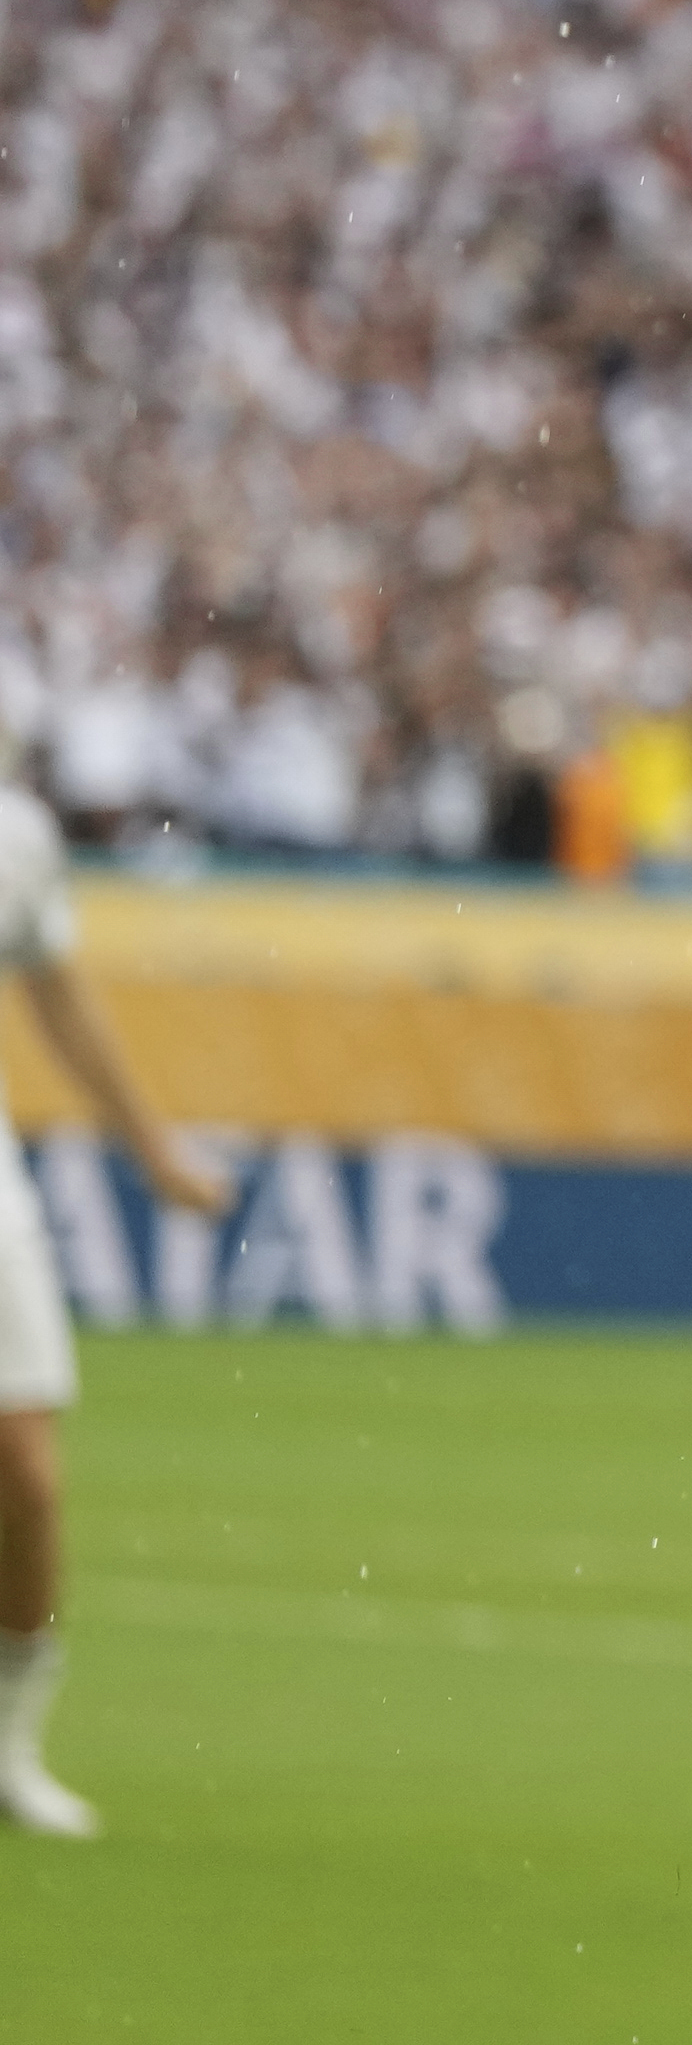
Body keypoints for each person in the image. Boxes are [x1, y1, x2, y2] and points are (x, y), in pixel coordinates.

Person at [2, 779, 232, 1838]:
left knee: (27, 1478)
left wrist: (151, 1151)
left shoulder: (18, 833)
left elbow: (58, 992)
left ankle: (12, 1743)